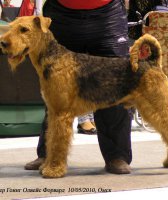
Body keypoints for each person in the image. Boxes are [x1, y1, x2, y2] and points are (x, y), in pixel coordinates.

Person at [25, 0, 133, 174]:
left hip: (107, 14)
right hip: (62, 14)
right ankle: (48, 155)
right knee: (56, 88)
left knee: (115, 83)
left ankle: (117, 156)